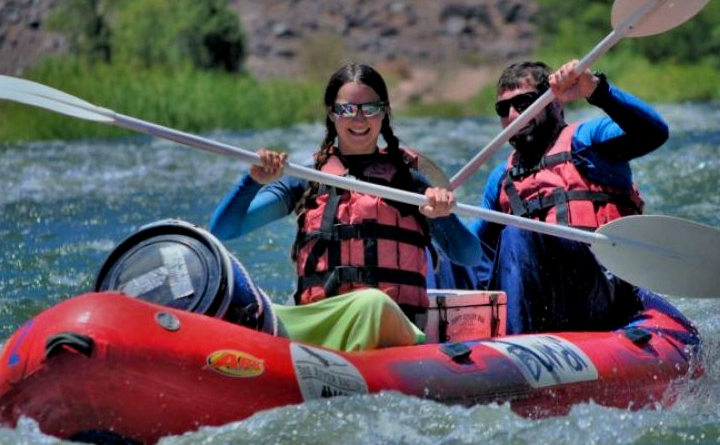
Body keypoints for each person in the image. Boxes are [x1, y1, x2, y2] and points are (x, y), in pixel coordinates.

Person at [210, 62, 482, 351]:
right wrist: (252, 181)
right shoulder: (307, 179)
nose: (359, 119)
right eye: (347, 110)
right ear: (331, 113)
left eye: (370, 108)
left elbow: (470, 255)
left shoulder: (409, 182)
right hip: (323, 323)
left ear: (384, 112)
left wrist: (442, 217)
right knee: (256, 312)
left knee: (372, 303)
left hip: (386, 321)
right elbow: (224, 229)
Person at [469, 59, 670, 334]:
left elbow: (654, 132)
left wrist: (596, 90)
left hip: (600, 291)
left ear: (555, 103)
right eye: (504, 108)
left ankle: (511, 348)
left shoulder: (586, 141)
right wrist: (436, 219)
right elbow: (469, 250)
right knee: (446, 252)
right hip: (538, 301)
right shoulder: (501, 177)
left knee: (518, 232)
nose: (513, 116)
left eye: (524, 103)